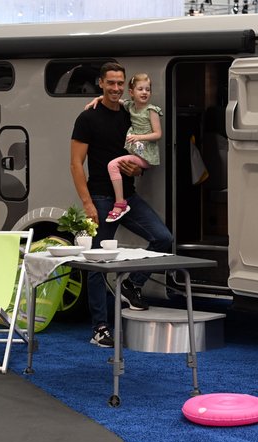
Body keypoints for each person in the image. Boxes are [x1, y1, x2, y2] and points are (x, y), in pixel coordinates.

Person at [70, 62, 173, 348]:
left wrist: (138, 171)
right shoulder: (87, 117)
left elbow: (140, 156)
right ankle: (100, 328)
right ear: (100, 83)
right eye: (110, 83)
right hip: (101, 198)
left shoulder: (130, 113)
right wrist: (87, 202)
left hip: (127, 197)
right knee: (96, 261)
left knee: (163, 239)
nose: (115, 88)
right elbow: (76, 164)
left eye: (119, 83)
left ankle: (131, 284)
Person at [87, 73, 163, 222]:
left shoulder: (151, 110)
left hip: (145, 153)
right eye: (140, 89)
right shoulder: (130, 107)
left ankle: (120, 203)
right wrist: (97, 98)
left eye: (147, 90)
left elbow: (158, 134)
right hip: (137, 149)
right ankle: (120, 201)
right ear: (131, 93)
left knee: (112, 165)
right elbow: (116, 100)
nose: (144, 92)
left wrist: (139, 137)